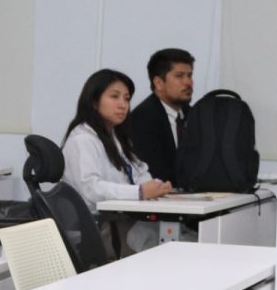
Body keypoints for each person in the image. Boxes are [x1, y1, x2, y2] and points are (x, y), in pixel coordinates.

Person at [62, 69, 172, 254]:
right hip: (100, 226)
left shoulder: (115, 136)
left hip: (122, 221)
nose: (123, 105)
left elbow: (138, 170)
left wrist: (155, 187)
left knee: (176, 238)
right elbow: (91, 189)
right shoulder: (82, 139)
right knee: (169, 244)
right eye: (114, 96)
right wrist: (140, 192)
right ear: (94, 101)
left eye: (126, 99)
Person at [128, 48, 195, 185]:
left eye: (189, 75)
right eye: (179, 76)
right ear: (159, 83)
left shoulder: (195, 115)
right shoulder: (142, 118)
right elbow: (155, 172)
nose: (188, 82)